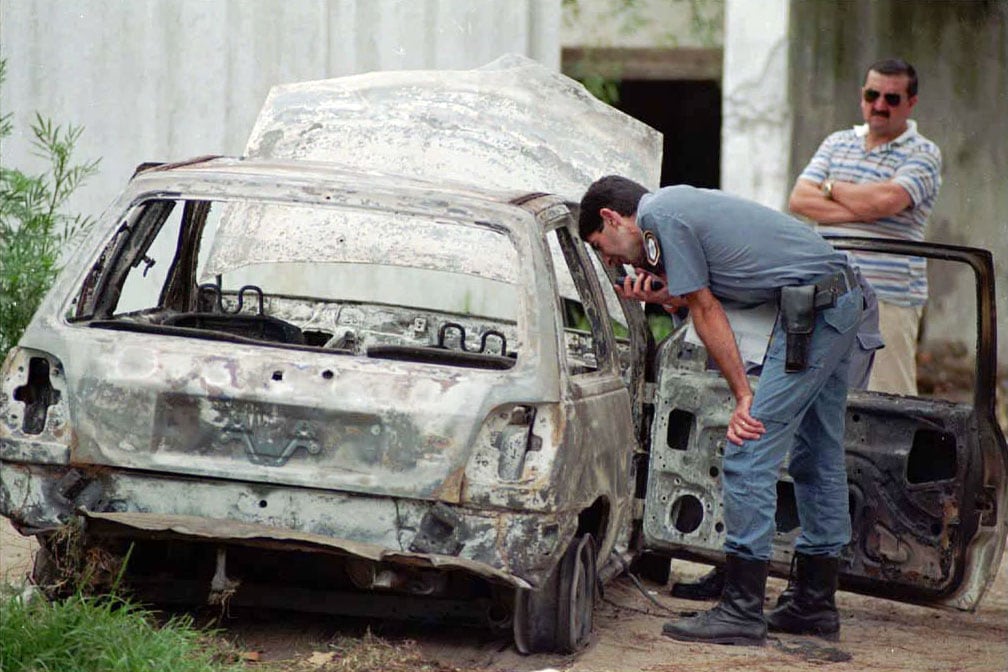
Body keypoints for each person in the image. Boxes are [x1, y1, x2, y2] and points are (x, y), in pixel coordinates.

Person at [580, 176, 863, 645]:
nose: (611, 260)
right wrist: (665, 296)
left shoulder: (658, 219)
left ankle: (742, 610)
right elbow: (730, 286)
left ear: (611, 217)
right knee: (818, 453)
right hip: (834, 299)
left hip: (814, 311)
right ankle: (814, 602)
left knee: (746, 449)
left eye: (602, 246)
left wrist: (744, 396)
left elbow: (707, 308)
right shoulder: (672, 207)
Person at [788, 57, 942, 396]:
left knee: (887, 398)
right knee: (819, 391)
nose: (879, 105)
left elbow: (886, 202)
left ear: (911, 103)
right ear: (862, 95)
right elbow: (799, 199)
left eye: (892, 99)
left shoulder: (924, 153)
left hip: (888, 296)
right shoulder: (837, 142)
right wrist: (867, 208)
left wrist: (831, 188)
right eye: (873, 95)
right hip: (828, 290)